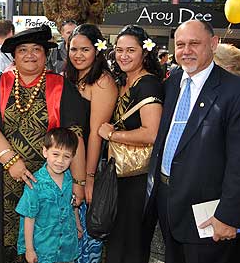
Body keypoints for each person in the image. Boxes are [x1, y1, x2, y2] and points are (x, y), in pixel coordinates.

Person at [0, 24, 87, 263]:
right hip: (8, 178)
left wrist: (79, 183)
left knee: (47, 244)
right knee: (10, 243)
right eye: (23, 50)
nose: (30, 55)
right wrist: (11, 160)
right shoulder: (0, 84)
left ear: (45, 54)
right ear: (14, 56)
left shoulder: (62, 87)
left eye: (36, 49)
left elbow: (76, 138)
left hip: (52, 182)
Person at [145, 20, 240, 263]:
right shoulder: (173, 83)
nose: (186, 51)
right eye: (180, 45)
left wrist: (229, 215)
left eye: (194, 44)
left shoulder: (234, 91)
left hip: (208, 213)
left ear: (213, 43)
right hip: (167, 202)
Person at [98, 24, 164, 263]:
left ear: (144, 53)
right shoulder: (124, 81)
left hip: (138, 179)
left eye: (131, 50)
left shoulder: (148, 84)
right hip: (120, 175)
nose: (123, 55)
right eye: (119, 50)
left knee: (131, 243)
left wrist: (112, 135)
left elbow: (151, 133)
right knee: (117, 241)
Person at [65, 24, 118, 262]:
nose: (78, 55)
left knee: (86, 237)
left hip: (88, 165)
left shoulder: (102, 82)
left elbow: (96, 134)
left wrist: (88, 179)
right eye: (73, 49)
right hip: (66, 163)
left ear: (97, 51)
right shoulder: (72, 77)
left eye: (84, 49)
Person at [16, 127, 81, 263]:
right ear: (45, 151)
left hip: (67, 248)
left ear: (73, 157)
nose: (60, 161)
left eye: (66, 156)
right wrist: (29, 249)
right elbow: (29, 217)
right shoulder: (34, 184)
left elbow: (72, 205)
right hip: (43, 250)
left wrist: (77, 224)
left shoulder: (70, 179)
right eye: (55, 154)